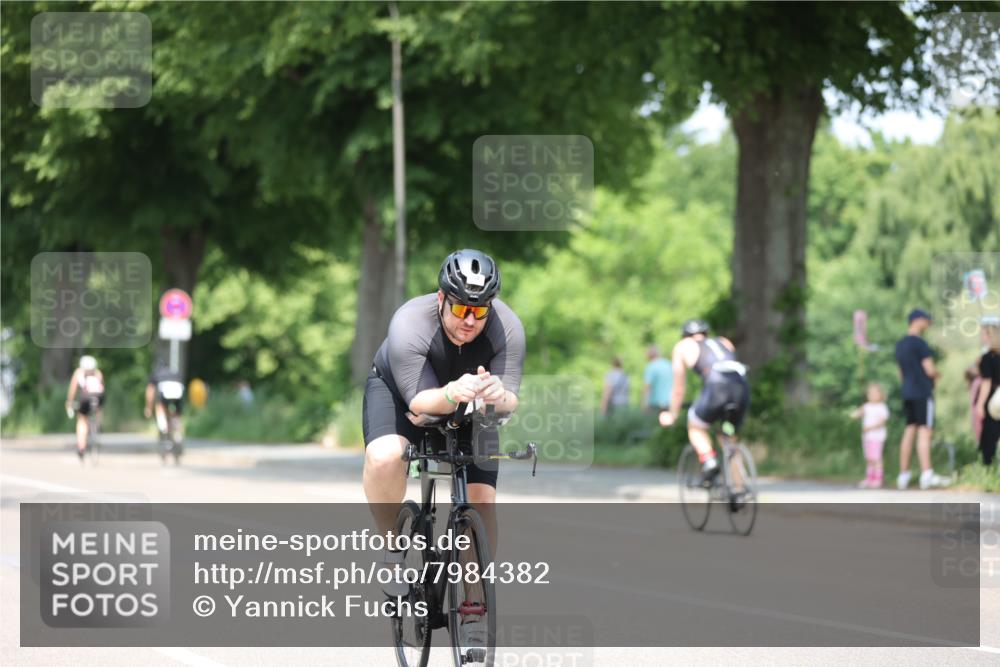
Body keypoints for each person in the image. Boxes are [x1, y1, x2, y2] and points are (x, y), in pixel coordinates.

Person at [361, 249, 524, 647]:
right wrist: (453, 392)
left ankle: (472, 606)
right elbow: (419, 405)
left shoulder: (508, 327)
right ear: (440, 299)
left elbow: (509, 403)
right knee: (384, 457)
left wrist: (497, 393)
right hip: (403, 393)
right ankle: (393, 550)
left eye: (479, 312)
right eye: (460, 309)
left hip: (471, 405)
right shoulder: (409, 323)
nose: (469, 321)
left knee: (482, 502)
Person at [658, 319, 749, 482]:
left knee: (695, 426)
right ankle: (739, 489)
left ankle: (709, 460)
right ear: (706, 333)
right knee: (728, 437)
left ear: (685, 335)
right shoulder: (724, 342)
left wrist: (672, 414)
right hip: (741, 388)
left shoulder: (683, 346)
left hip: (716, 389)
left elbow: (678, 388)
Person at [894, 309, 950, 489]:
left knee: (909, 430)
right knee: (925, 431)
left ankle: (903, 475)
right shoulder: (920, 344)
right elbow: (930, 370)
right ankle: (927, 474)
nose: (928, 324)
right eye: (927, 321)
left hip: (907, 392)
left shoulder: (900, 344)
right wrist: (937, 376)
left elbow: (901, 373)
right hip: (922, 392)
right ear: (918, 321)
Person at [849, 383, 890, 488]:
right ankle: (870, 478)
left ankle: (878, 479)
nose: (873, 395)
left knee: (877, 458)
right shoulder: (866, 406)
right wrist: (854, 414)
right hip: (867, 437)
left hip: (877, 437)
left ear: (881, 395)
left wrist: (870, 428)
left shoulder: (882, 407)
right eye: (870, 393)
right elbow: (858, 413)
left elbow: (883, 422)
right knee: (869, 458)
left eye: (875, 393)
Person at [65, 355, 104, 461]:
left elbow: (73, 389)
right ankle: (98, 425)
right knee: (99, 406)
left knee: (82, 419)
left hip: (85, 398)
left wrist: (69, 402)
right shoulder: (98, 373)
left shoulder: (79, 373)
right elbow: (101, 387)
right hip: (99, 396)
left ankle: (81, 447)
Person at [974, 318, 1000, 465]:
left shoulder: (987, 358)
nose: (981, 337)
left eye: (983, 334)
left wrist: (980, 404)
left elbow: (986, 382)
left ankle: (987, 467)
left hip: (993, 401)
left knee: (988, 439)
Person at [144, 362, 185, 438]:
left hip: (166, 388)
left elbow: (150, 391)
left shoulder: (156, 374)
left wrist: (148, 408)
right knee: (177, 413)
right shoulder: (174, 372)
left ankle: (164, 429)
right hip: (179, 387)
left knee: (160, 406)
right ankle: (178, 432)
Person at [642, 345, 673, 413]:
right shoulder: (668, 364)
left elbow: (647, 387)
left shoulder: (651, 367)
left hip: (655, 405)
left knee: (653, 423)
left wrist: (644, 404)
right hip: (670, 403)